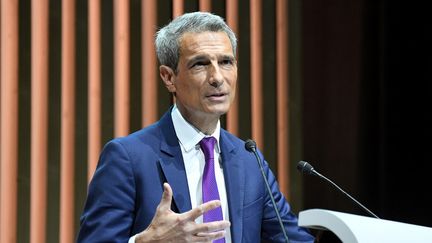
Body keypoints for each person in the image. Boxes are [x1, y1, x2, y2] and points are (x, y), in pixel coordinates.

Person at [77, 11, 315, 243]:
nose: (217, 77)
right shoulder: (127, 158)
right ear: (169, 77)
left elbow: (289, 237)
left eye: (226, 62)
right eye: (200, 64)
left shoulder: (249, 159)